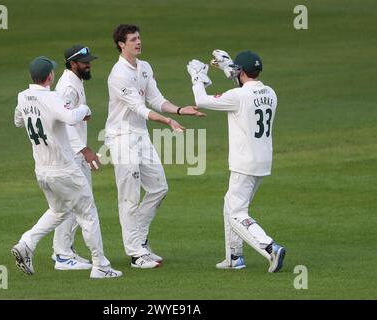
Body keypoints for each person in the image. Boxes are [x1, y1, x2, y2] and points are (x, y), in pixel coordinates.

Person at [11, 56, 122, 279]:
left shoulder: (23, 97)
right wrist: (85, 109)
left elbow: (18, 121)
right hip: (63, 169)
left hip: (42, 171)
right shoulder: (52, 97)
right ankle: (100, 265)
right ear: (50, 76)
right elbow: (71, 117)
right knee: (88, 213)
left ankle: (26, 243)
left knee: (59, 210)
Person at [105, 24, 206, 269]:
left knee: (159, 187)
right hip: (122, 138)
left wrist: (181, 110)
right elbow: (138, 107)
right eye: (133, 39)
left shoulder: (145, 67)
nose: (138, 42)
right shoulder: (118, 74)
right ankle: (136, 254)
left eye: (139, 38)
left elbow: (156, 99)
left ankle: (139, 239)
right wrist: (167, 121)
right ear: (121, 44)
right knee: (129, 197)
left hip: (140, 135)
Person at [187, 50, 286, 272]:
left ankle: (271, 248)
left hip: (244, 162)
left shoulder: (238, 96)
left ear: (241, 71)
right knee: (230, 204)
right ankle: (234, 257)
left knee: (236, 214)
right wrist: (228, 68)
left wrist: (197, 76)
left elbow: (200, 100)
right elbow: (246, 88)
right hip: (263, 161)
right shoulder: (271, 92)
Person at [50, 45, 101, 271]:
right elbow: (63, 123)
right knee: (76, 202)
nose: (88, 65)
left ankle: (65, 250)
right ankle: (62, 255)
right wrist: (84, 150)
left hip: (74, 154)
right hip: (71, 155)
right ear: (73, 64)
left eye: (89, 61)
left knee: (77, 202)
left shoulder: (75, 80)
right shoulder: (68, 87)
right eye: (84, 62)